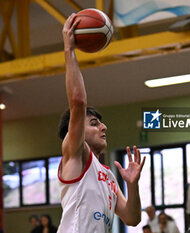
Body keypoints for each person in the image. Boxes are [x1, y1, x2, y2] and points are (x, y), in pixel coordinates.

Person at [57, 14, 145, 233]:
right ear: (76, 130)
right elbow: (78, 102)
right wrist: (69, 50)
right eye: (94, 123)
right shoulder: (75, 154)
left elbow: (132, 219)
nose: (103, 127)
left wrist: (132, 186)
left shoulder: (107, 175)